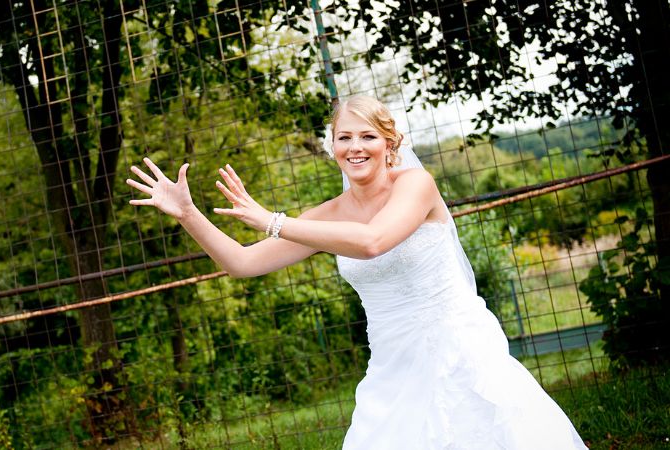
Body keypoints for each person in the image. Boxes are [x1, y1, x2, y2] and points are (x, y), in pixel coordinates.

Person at [126, 94, 587, 449]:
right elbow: (243, 263)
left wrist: (274, 220)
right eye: (344, 137)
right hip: (391, 366)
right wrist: (188, 214)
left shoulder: (416, 186)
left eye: (367, 136)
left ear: (391, 143)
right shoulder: (326, 214)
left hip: (458, 351)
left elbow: (373, 242)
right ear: (332, 147)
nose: (355, 147)